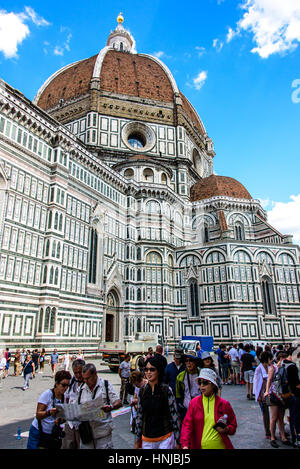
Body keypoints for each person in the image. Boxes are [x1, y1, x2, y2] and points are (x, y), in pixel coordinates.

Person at [180, 368, 237, 449]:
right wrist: (185, 445)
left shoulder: (224, 404)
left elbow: (233, 425)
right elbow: (187, 425)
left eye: (205, 382)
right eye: (199, 382)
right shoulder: (194, 403)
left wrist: (227, 429)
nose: (202, 385)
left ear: (213, 384)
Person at [134, 356, 181, 449]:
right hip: (147, 438)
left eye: (152, 369)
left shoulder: (166, 390)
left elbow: (174, 416)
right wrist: (137, 440)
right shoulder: (143, 391)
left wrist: (178, 441)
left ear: (158, 371)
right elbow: (139, 416)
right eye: (146, 369)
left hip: (165, 438)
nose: (148, 372)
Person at [78, 363, 122, 449]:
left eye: (88, 378)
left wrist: (111, 407)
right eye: (84, 379)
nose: (86, 381)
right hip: (87, 433)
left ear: (95, 374)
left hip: (103, 433)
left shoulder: (105, 385)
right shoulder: (81, 388)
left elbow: (118, 402)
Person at [27, 370, 72, 449]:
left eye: (68, 385)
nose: (66, 388)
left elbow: (64, 416)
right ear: (57, 383)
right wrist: (49, 412)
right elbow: (38, 415)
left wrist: (62, 419)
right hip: (38, 432)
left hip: (52, 433)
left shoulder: (65, 397)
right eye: (63, 385)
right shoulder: (47, 394)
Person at [264, 352, 291, 448]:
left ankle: (283, 436)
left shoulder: (285, 368)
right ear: (281, 359)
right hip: (274, 394)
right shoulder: (273, 368)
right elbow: (269, 380)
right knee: (274, 417)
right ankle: (272, 437)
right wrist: (267, 391)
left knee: (281, 417)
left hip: (282, 395)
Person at [62, 358, 86, 449]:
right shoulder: (71, 381)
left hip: (83, 423)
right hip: (70, 423)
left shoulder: (89, 382)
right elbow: (67, 397)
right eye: (76, 373)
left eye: (80, 372)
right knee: (68, 445)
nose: (78, 375)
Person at [281, 347, 300, 447]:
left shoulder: (282, 363)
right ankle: (296, 440)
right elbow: (296, 384)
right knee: (296, 419)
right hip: (294, 396)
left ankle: (294, 439)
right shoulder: (292, 367)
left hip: (286, 395)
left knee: (292, 418)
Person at [253, 351, 273, 439]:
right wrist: (258, 395)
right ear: (267, 359)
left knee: (274, 412)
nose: (272, 360)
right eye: (270, 359)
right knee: (265, 413)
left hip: (271, 392)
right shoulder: (259, 369)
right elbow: (257, 382)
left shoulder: (271, 367)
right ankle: (267, 432)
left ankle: (273, 429)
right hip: (263, 394)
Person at [176, 354, 201, 421]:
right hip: (186, 408)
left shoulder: (202, 374)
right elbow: (178, 394)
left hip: (200, 408)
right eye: (186, 361)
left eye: (191, 360)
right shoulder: (181, 376)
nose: (188, 363)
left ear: (195, 362)